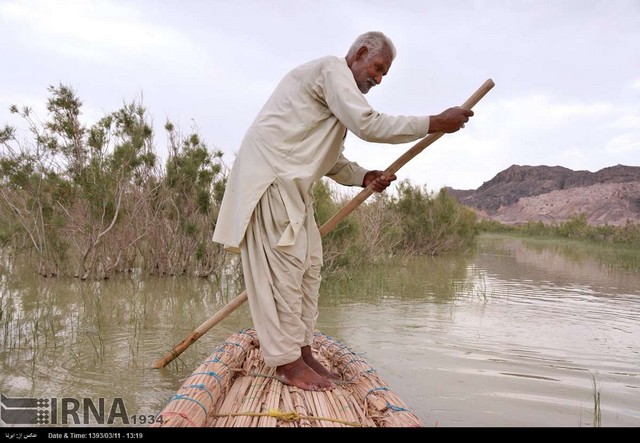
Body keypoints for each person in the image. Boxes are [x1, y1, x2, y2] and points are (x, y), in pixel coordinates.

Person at [212, 31, 473, 391]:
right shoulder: (330, 70)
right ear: (360, 53)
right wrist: (434, 122)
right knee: (284, 270)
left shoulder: (335, 97)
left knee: (309, 266)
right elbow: (369, 124)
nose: (378, 79)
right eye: (378, 68)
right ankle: (286, 362)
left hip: (293, 189)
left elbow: (330, 158)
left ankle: (302, 350)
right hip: (270, 180)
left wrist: (363, 176)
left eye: (384, 75)